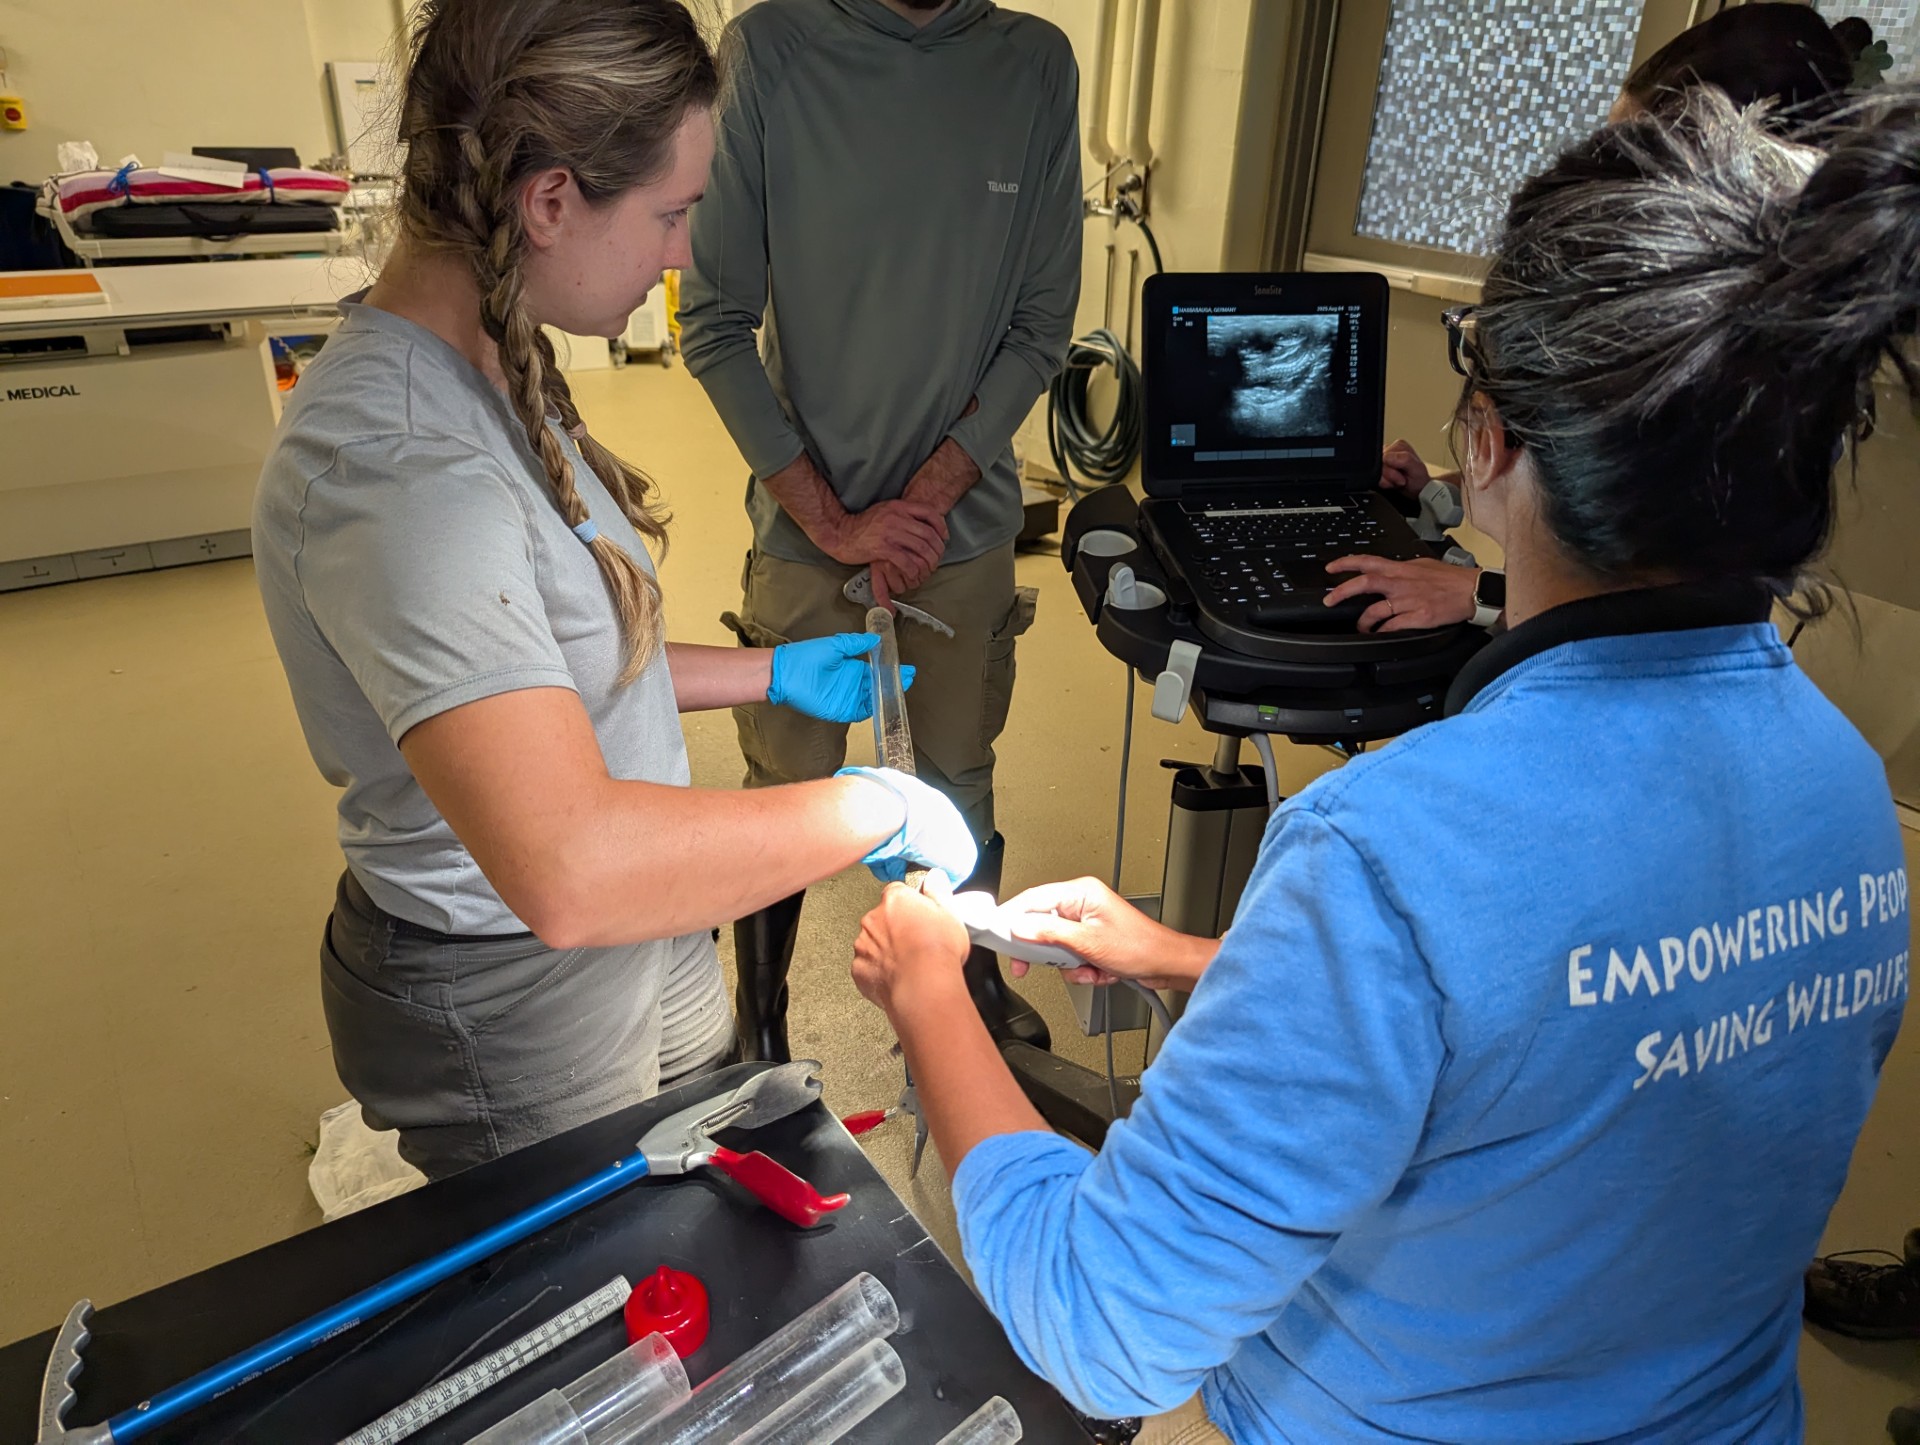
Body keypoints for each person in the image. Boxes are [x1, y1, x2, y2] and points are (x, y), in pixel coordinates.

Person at [851, 88, 1917, 1442]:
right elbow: (1567, 1043)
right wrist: (1195, 961)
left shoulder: (1384, 853)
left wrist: (934, 991)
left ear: (1489, 441)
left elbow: (1103, 1326)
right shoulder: (1843, 787)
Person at [252, 0, 975, 1182]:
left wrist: (769, 671)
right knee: (595, 1296)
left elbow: (551, 657)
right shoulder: (398, 466)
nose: (684, 254)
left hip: (643, 917)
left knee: (699, 1180)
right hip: (515, 978)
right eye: (671, 215)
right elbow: (570, 864)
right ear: (549, 202)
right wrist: (866, 810)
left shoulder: (495, 356)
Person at [677, 0, 1082, 1062]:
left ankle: (971, 979)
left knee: (960, 764)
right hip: (808, 524)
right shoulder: (773, 52)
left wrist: (932, 496)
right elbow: (711, 319)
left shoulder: (1032, 66)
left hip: (965, 522)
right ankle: (755, 1022)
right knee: (786, 774)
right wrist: (832, 517)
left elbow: (1043, 324)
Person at [1325, 2, 1880, 636]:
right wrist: (1449, 488)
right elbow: (1581, 471)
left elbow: (1655, 593)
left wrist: (1482, 593)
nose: (1597, 186)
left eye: (1628, 162)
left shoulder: (1761, 379)